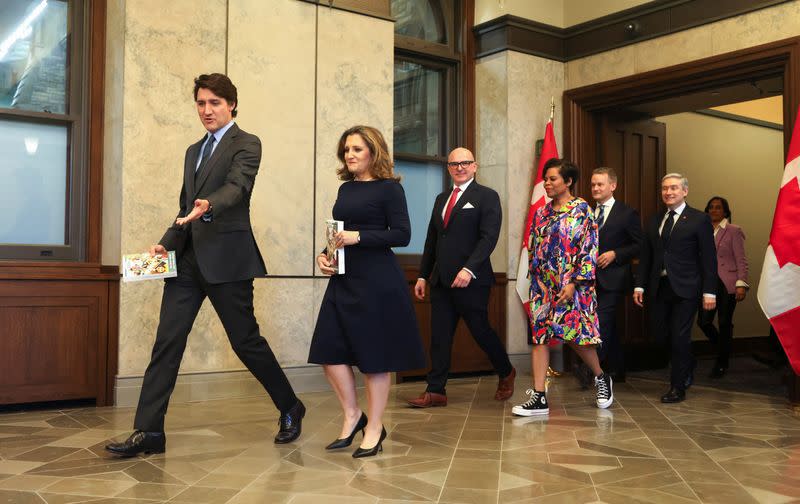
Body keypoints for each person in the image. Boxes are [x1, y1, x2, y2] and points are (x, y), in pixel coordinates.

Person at [106, 74, 305, 457]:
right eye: (200, 103)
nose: (206, 110)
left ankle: (290, 405)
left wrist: (208, 204)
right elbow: (185, 207)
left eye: (214, 102)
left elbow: (237, 187)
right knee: (167, 342)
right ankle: (149, 432)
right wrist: (164, 246)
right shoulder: (192, 151)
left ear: (231, 104)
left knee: (246, 342)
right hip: (187, 263)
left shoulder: (247, 143)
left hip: (229, 261)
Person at [309, 125, 425, 458]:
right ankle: (352, 414)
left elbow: (402, 235)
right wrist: (324, 255)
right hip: (343, 277)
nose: (350, 155)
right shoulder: (346, 190)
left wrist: (358, 237)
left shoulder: (390, 189)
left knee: (375, 360)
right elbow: (338, 234)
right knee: (329, 353)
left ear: (373, 152)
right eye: (346, 150)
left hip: (378, 282)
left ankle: (374, 427)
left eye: (357, 149)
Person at [406, 147, 515, 408]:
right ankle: (436, 391)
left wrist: (469, 269)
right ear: (449, 168)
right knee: (440, 336)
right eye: (454, 164)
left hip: (472, 280)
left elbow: (489, 238)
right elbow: (432, 240)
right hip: (441, 281)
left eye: (465, 163)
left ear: (475, 166)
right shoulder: (441, 199)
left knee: (480, 331)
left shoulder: (487, 197)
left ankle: (506, 371)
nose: (460, 167)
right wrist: (422, 276)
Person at [512, 158, 613, 417]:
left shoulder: (581, 210)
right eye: (545, 179)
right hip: (543, 286)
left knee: (574, 337)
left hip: (573, 286)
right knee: (540, 338)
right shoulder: (541, 212)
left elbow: (588, 250)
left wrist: (573, 283)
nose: (547, 183)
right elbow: (535, 246)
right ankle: (539, 397)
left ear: (568, 181)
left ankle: (601, 377)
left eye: (552, 179)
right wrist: (535, 280)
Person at [634, 173, 717, 404]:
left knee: (680, 337)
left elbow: (709, 258)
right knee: (661, 336)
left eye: (673, 188)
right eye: (664, 189)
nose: (668, 192)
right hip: (660, 287)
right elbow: (646, 256)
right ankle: (688, 362)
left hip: (687, 288)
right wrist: (639, 285)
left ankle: (677, 387)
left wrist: (709, 291)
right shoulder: (654, 220)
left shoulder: (699, 219)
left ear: (685, 191)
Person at [588, 167, 641, 383]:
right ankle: (618, 367)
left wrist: (616, 254)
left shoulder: (627, 213)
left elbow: (640, 245)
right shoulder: (586, 212)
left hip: (614, 279)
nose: (596, 188)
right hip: (588, 279)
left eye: (600, 184)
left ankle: (592, 371)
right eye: (593, 184)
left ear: (613, 185)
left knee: (601, 322)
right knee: (606, 323)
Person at [697, 196, 748, 378]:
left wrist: (741, 283)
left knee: (725, 322)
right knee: (703, 321)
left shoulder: (734, 230)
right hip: (707, 282)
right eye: (711, 207)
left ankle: (722, 362)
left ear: (725, 211)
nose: (714, 210)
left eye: (718, 207)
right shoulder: (702, 230)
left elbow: (741, 259)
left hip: (727, 283)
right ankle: (724, 348)